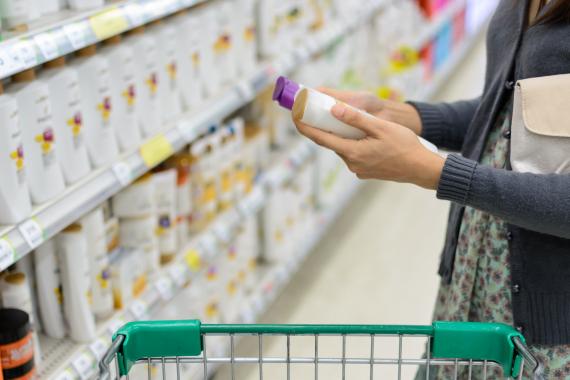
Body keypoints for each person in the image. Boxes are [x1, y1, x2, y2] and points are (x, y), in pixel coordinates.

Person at [293, 0, 570, 378]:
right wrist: (405, 116)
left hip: (547, 325)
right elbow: (511, 111)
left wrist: (434, 172)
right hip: (473, 277)